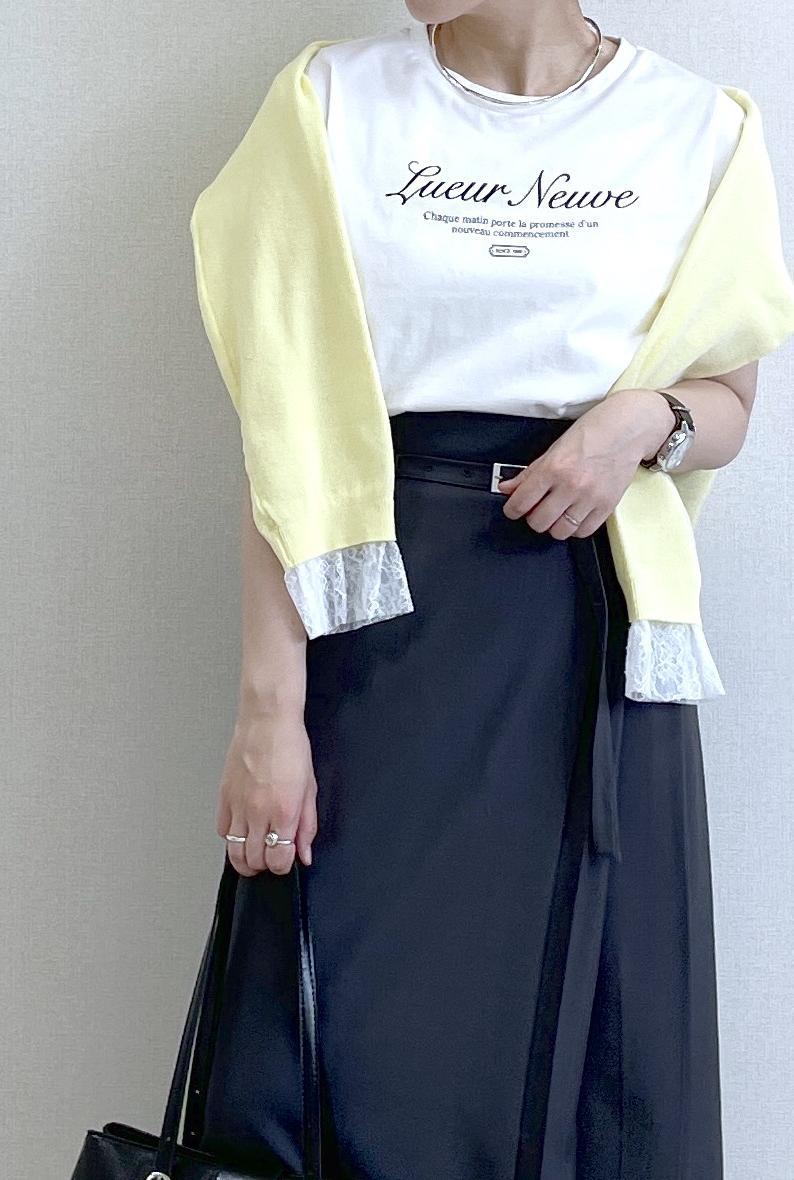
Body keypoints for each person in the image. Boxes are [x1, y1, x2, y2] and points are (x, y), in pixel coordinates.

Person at [183, 3, 791, 1177]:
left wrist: (642, 421)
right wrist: (268, 711)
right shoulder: (328, 105)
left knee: (592, 1054)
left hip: (591, 627)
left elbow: (725, 399)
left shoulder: (693, 129)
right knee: (356, 1054)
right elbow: (286, 436)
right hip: (381, 630)